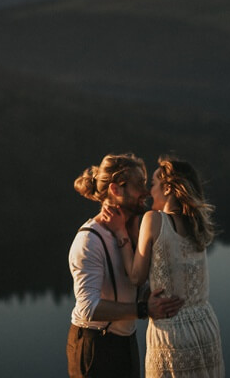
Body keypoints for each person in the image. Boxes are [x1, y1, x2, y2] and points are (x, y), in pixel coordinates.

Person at [103, 156, 225, 378]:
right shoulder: (196, 223)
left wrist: (120, 233)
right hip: (207, 325)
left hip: (172, 331)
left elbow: (136, 277)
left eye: (153, 184)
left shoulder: (153, 220)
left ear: (167, 188)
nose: (150, 192)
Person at [68, 153, 185, 378]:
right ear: (115, 189)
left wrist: (152, 295)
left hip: (125, 342)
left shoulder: (133, 230)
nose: (146, 192)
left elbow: (133, 285)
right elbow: (87, 308)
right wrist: (143, 310)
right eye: (139, 184)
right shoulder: (89, 240)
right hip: (95, 346)